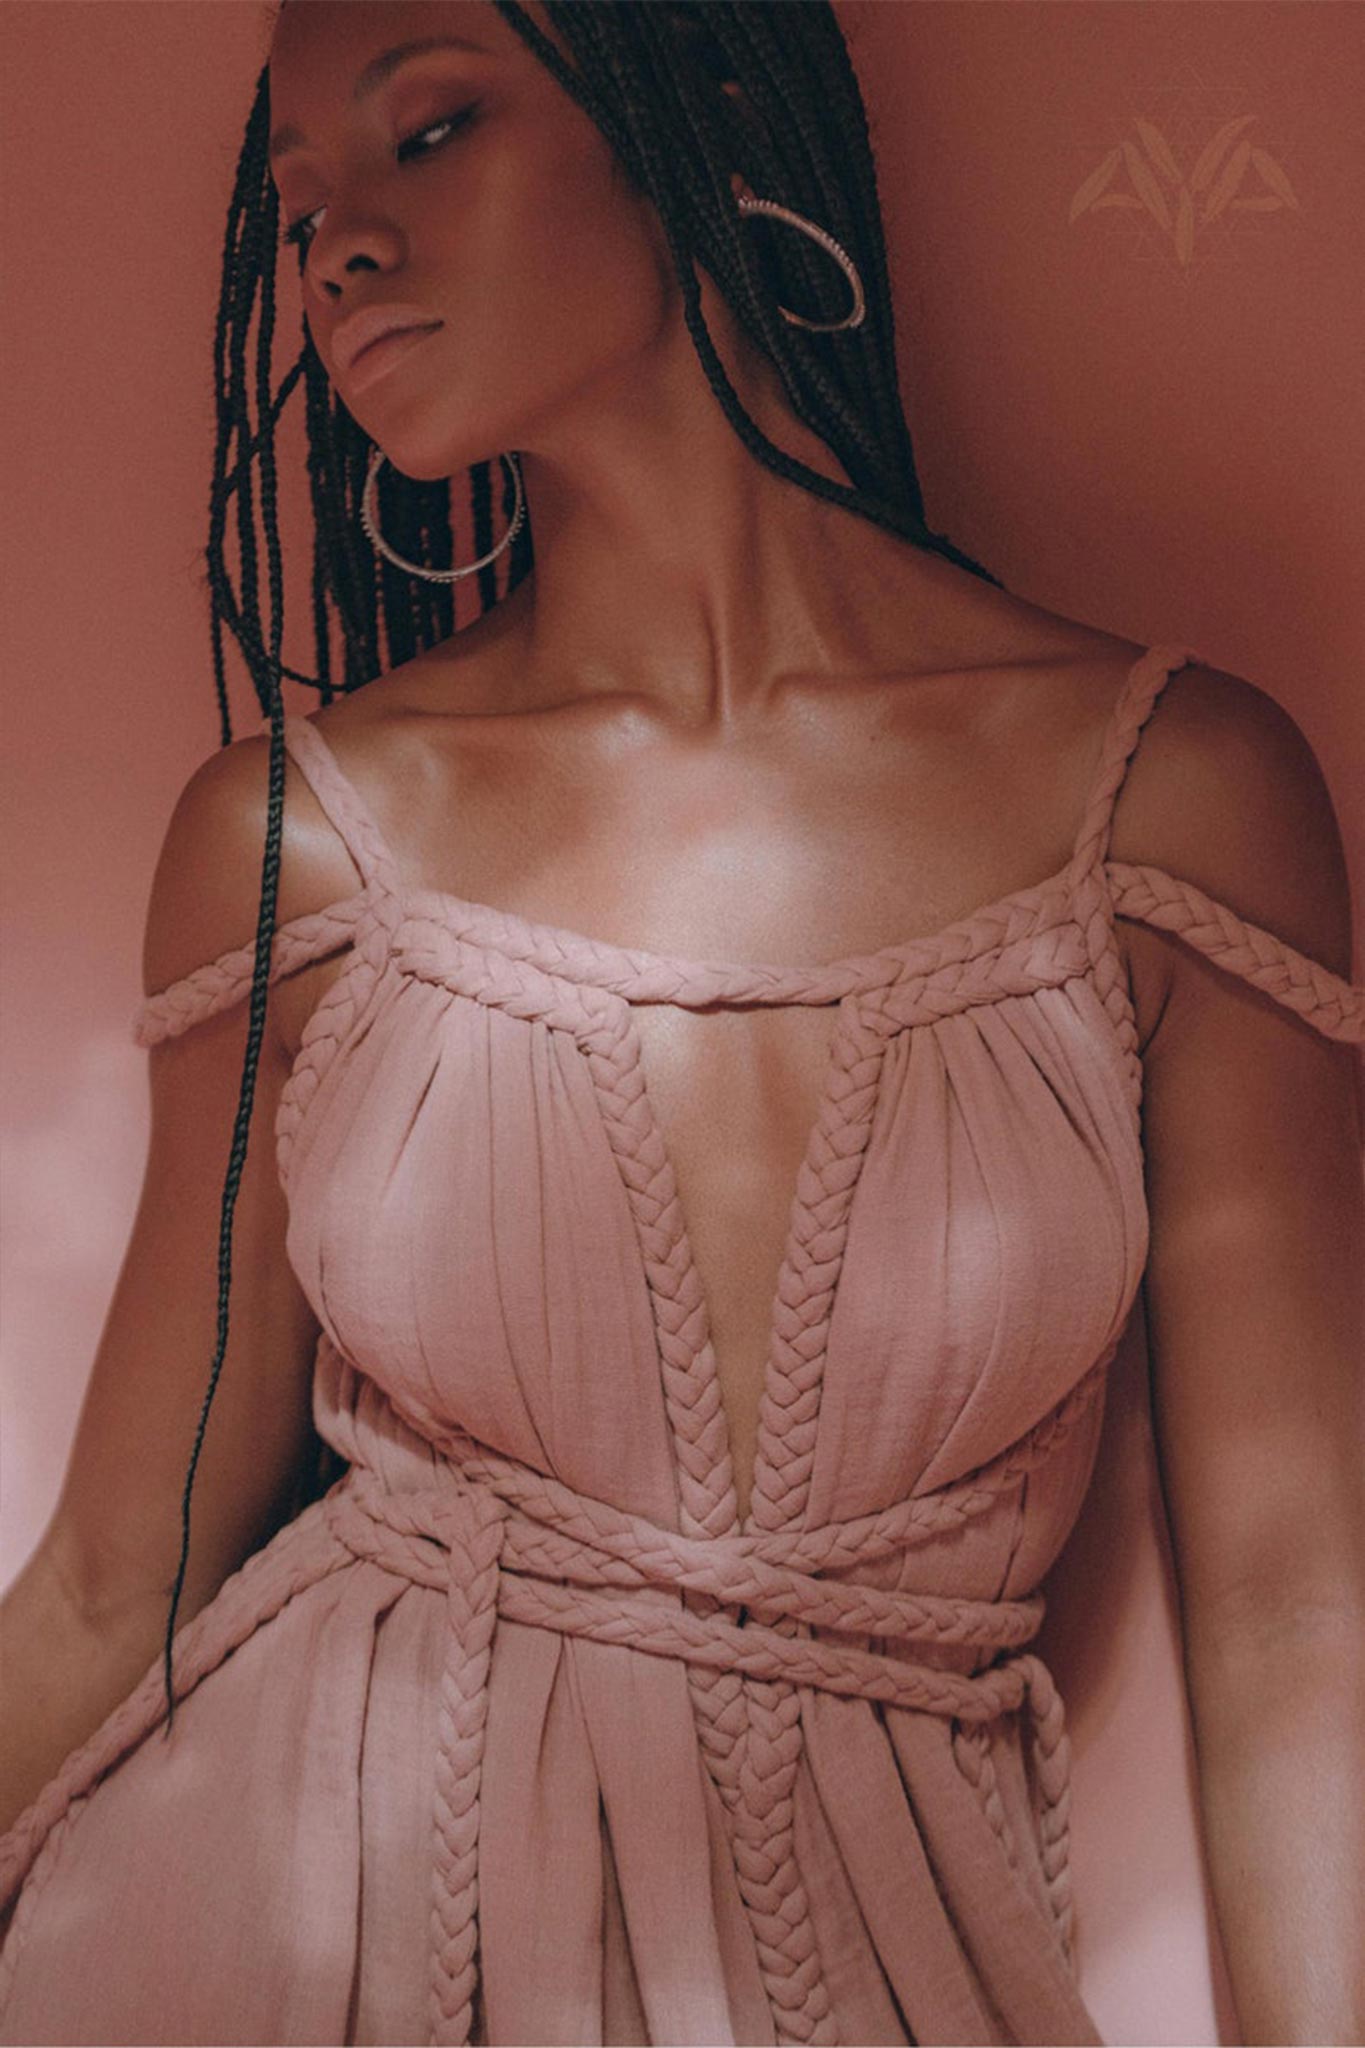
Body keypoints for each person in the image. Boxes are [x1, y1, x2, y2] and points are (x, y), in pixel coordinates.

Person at [1, 3, 1362, 2043]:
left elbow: (1290, 1606)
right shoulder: (294, 843)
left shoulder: (1168, 802)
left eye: (432, 127)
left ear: (703, 120)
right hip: (260, 1949)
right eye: (296, 217)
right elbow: (118, 1579)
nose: (342, 246)